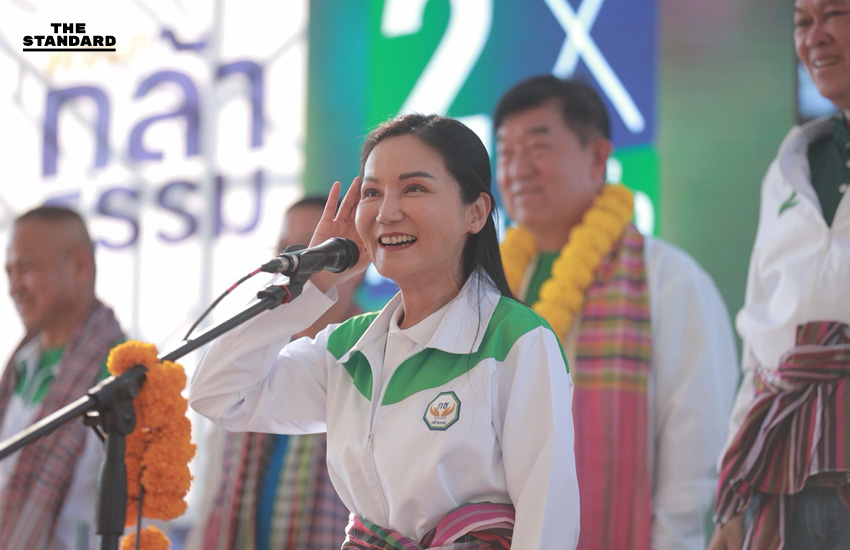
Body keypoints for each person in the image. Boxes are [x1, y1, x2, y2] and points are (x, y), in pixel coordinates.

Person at [190, 113, 580, 548]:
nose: (387, 212)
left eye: (414, 188)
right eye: (373, 193)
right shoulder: (347, 348)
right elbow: (218, 394)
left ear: (476, 212)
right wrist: (312, 282)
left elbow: (548, 521)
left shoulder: (517, 339)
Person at [494, 74, 739, 550]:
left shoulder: (667, 278)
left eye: (538, 146)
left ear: (598, 158)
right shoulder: (493, 287)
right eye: (504, 152)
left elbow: (696, 439)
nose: (517, 168)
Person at [709, 2, 850, 549]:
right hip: (783, 473)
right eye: (801, 22)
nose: (814, 37)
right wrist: (731, 504)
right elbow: (760, 345)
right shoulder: (789, 167)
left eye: (833, 14)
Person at [186, 195, 361, 550]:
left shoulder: (373, 353)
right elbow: (211, 399)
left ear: (357, 263)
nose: (304, 260)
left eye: (321, 248)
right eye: (292, 249)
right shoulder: (253, 356)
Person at [0, 206, 125, 549]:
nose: (13, 288)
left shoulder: (125, 368)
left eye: (25, 269)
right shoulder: (19, 364)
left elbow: (144, 514)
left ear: (80, 266)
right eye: (8, 272)